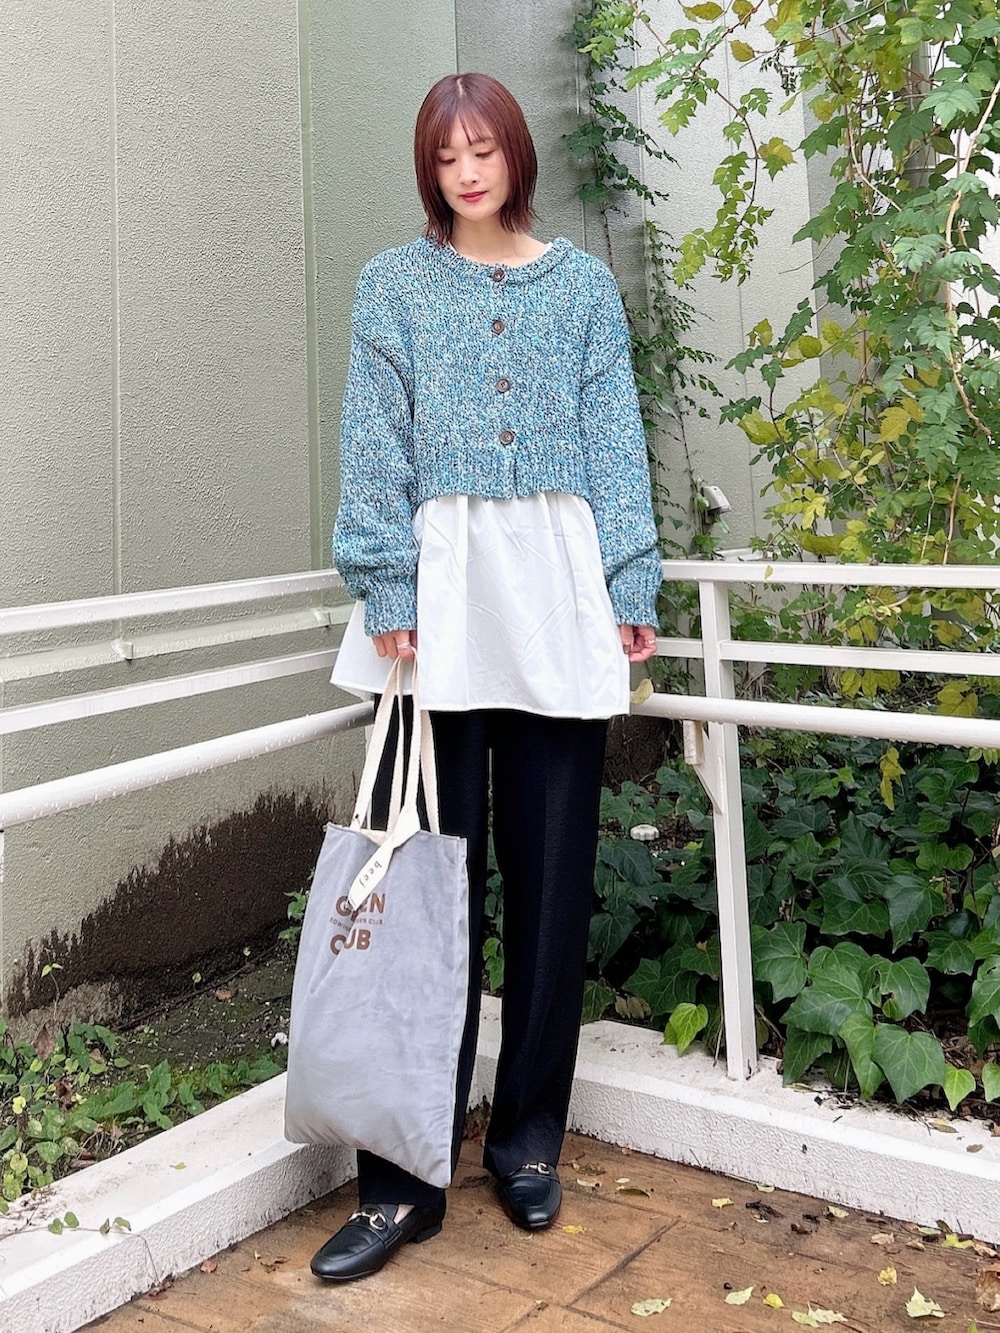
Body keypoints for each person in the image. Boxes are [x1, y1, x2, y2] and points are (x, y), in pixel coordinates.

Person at [311, 71, 661, 1284]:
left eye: (483, 150)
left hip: (555, 597)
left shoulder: (580, 289)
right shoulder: (392, 286)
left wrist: (631, 578)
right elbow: (374, 438)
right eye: (445, 156)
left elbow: (614, 436)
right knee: (424, 889)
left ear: (514, 154)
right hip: (440, 605)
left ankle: (525, 1140)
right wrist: (386, 584)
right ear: (430, 168)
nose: (466, 172)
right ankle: (401, 1181)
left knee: (553, 878)